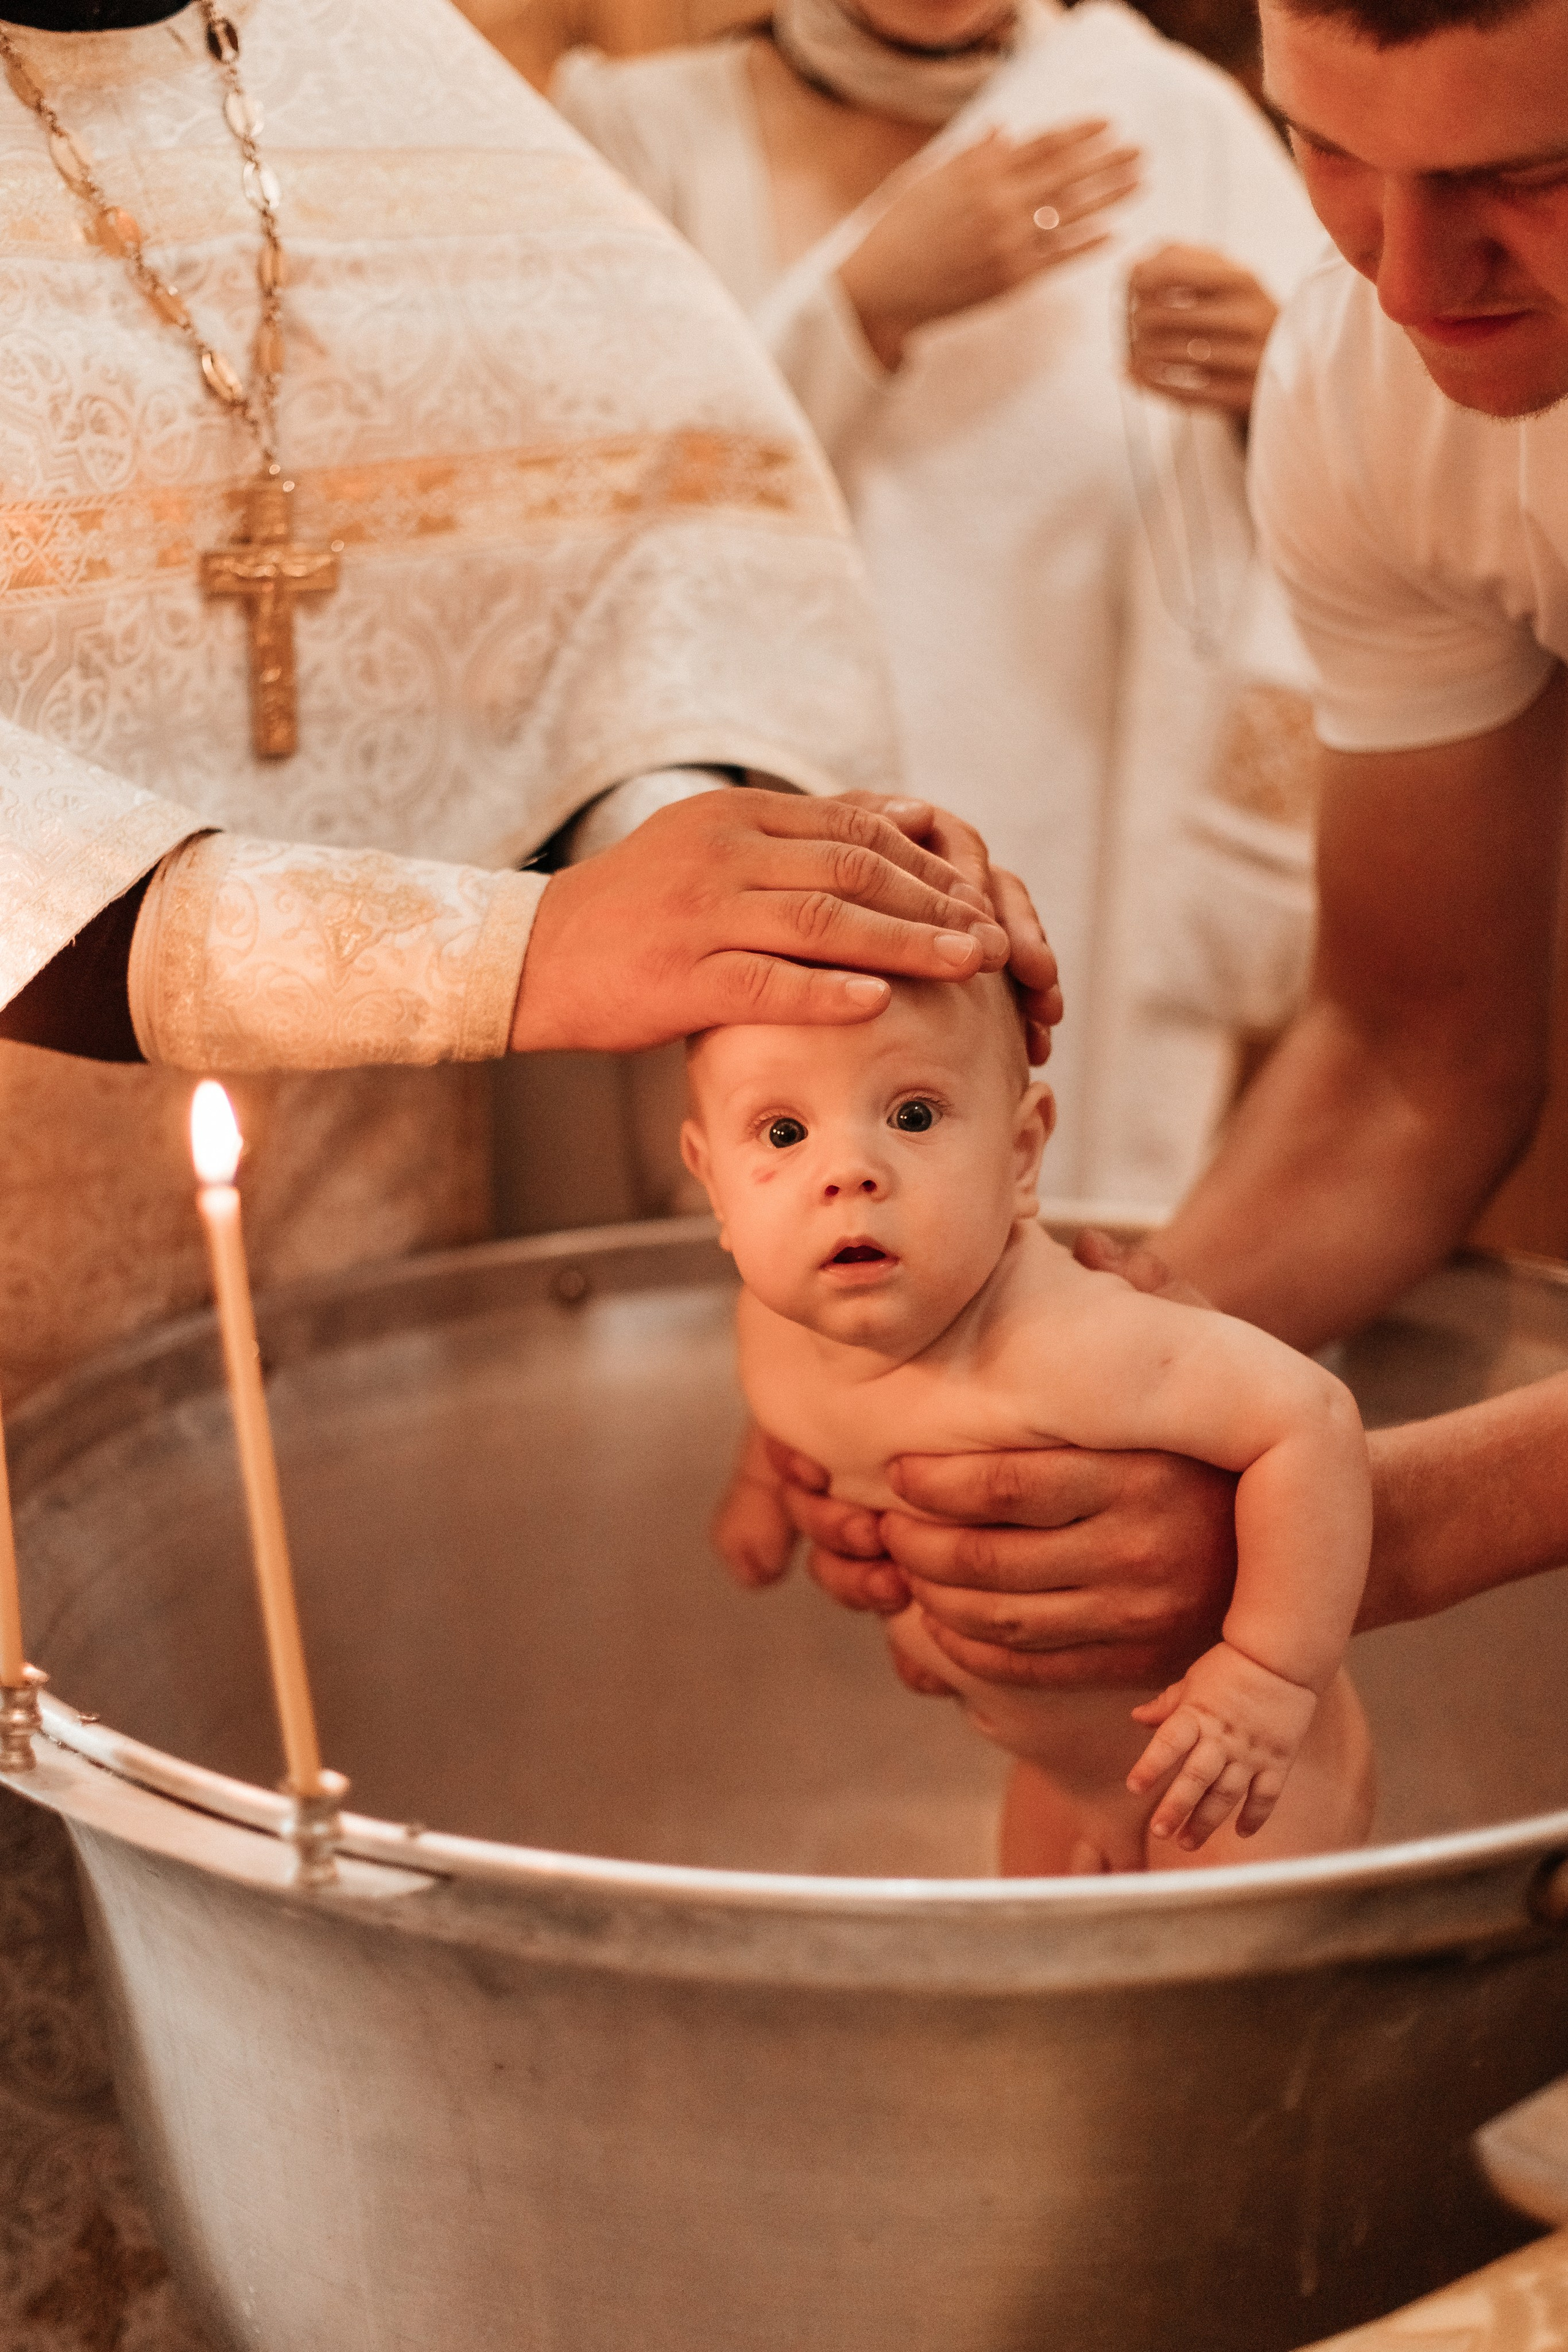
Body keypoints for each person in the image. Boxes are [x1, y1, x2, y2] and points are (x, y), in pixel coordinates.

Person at [0, 0, 1060, 1409]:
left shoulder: (367, 46)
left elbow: (653, 541)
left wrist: (747, 876)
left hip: (363, 1197)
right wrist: (520, 947)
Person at [725, 0, 1568, 1722]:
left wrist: (1328, 1532)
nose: (1410, 282)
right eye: (1328, 150)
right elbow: (1415, 1057)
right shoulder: (1364, 388)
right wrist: (1020, 1380)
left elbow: (1326, 1528)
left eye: (1535, 176)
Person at [555, 0, 1328, 1205]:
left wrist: (1284, 386)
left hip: (1102, 850)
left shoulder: (1178, 124)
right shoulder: (636, 134)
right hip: (774, 835)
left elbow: (1392, 489)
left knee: (1073, 1272)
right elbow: (582, 533)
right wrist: (855, 310)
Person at [690, 971, 1374, 1869]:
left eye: (914, 1116)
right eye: (784, 1132)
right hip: (1062, 1776)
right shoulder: (773, 1320)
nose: (849, 1171)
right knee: (1047, 2000)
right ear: (714, 1186)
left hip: (1235, 1780)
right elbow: (790, 1410)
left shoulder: (1068, 1343)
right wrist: (762, 1488)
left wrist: (1267, 1675)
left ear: (1019, 1157)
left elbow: (1310, 1418)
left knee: (1243, 2006)